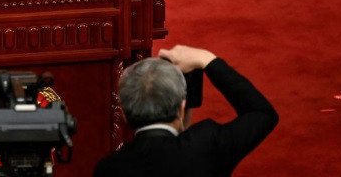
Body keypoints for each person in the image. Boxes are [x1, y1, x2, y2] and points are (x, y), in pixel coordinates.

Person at [93, 45, 279, 177]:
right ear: (182, 108)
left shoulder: (109, 169)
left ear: (124, 114)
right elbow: (262, 113)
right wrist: (207, 60)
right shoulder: (207, 145)